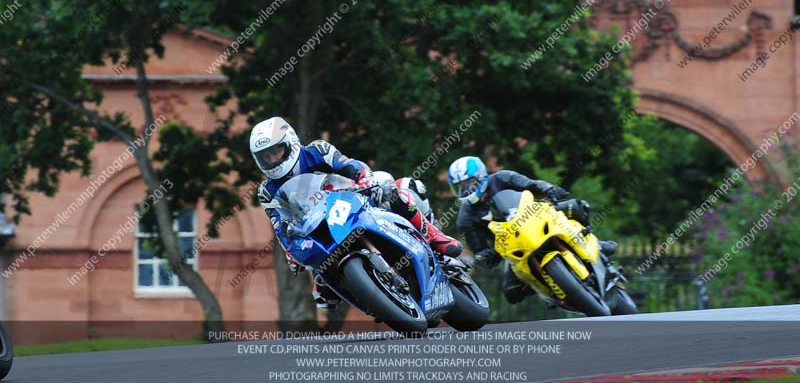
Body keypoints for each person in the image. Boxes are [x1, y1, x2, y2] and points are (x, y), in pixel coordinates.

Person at [251, 117, 462, 308]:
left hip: (353, 200)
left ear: (290, 142)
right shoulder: (266, 192)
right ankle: (370, 297)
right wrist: (291, 252)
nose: (273, 160)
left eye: (276, 152)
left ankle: (434, 235)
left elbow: (349, 165)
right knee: (322, 288)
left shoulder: (317, 150)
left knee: (394, 189)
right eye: (266, 157)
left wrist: (364, 178)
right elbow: (280, 226)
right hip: (317, 228)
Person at [447, 156, 617, 304]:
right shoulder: (465, 219)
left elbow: (531, 184)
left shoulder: (502, 178)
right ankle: (547, 287)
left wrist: (548, 189)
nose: (466, 190)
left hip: (537, 218)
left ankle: (598, 246)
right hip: (512, 247)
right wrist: (485, 256)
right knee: (511, 291)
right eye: (460, 187)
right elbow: (480, 250)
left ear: (481, 176)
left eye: (469, 183)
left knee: (578, 207)